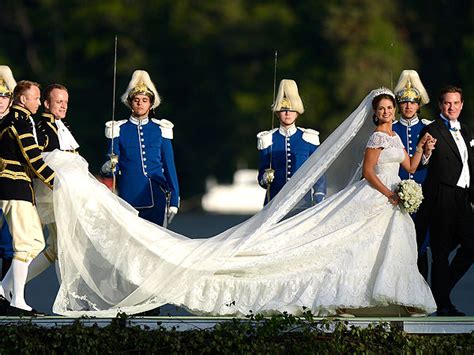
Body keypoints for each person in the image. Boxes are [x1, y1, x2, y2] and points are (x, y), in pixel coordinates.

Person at [35, 87, 437, 318]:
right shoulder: (367, 138)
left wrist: (421, 151)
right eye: (382, 108)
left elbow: (408, 166)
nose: (285, 114)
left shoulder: (386, 138)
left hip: (382, 201)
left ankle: (385, 296)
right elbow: (368, 172)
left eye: (289, 109)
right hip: (361, 198)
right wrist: (393, 193)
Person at [415, 86, 474, 316]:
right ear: (441, 105)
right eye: (447, 103)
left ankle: (440, 291)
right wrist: (427, 152)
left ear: (461, 105)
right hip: (441, 197)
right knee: (440, 253)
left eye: (456, 103)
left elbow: (470, 165)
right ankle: (443, 304)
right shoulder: (431, 130)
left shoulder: (467, 130)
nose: (452, 107)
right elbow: (422, 163)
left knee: (471, 246)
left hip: (462, 197)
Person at [0, 80, 55, 315]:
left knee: (36, 243)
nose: (37, 102)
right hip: (15, 187)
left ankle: (3, 288)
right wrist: (56, 182)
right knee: (24, 245)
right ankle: (17, 300)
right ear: (23, 99)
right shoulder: (18, 120)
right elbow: (32, 157)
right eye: (35, 97)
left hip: (20, 188)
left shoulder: (13, 120)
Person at [101, 70, 179, 227]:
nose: (140, 103)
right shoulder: (118, 129)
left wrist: (174, 200)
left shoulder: (160, 129)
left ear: (150, 104)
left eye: (144, 100)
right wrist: (108, 167)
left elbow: (169, 166)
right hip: (128, 197)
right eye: (136, 99)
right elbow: (111, 168)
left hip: (156, 196)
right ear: (131, 103)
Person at [26, 83, 80, 284]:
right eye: (59, 102)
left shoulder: (65, 128)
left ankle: (7, 288)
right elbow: (36, 162)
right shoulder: (41, 129)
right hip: (53, 195)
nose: (63, 106)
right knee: (63, 247)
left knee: (56, 247)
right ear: (47, 104)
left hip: (70, 195)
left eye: (66, 102)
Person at [258, 79, 326, 205]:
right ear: (278, 113)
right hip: (274, 202)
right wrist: (265, 178)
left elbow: (318, 171)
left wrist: (319, 197)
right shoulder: (268, 139)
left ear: (297, 113)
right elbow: (261, 174)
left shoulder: (308, 138)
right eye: (284, 110)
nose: (288, 113)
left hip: (302, 203)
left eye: (292, 110)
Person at [393, 70, 431, 279]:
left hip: (422, 195)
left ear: (418, 105)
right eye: (404, 102)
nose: (408, 106)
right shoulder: (391, 128)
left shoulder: (429, 128)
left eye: (413, 102)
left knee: (421, 246)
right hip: (394, 196)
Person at [0, 66, 16, 279]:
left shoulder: (15, 123)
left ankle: (5, 294)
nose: (1, 100)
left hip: (10, 188)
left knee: (9, 243)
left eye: (5, 95)